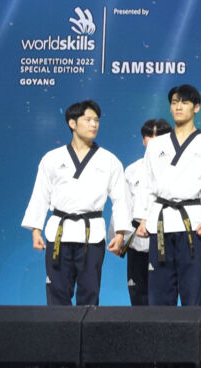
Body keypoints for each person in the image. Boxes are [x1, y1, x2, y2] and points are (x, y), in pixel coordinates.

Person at [22, 100, 130, 306]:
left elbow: (121, 200)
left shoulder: (109, 160)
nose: (94, 125)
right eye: (88, 120)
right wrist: (35, 231)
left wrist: (120, 233)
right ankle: (59, 338)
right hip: (58, 233)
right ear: (72, 123)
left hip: (92, 234)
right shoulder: (52, 158)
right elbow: (40, 195)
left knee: (89, 293)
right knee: (57, 292)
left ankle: (87, 338)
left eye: (96, 120)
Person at [134, 84, 201, 308]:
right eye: (174, 103)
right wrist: (143, 218)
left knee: (192, 293)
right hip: (161, 224)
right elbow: (146, 183)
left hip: (192, 223)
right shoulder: (155, 145)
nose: (178, 107)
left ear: (196, 108)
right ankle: (161, 343)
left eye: (184, 102)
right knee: (159, 293)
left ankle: (193, 344)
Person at [123, 118, 171, 306]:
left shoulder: (177, 168)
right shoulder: (132, 170)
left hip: (166, 240)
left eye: (159, 135)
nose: (153, 139)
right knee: (138, 296)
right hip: (137, 242)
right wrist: (120, 237)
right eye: (149, 135)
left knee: (163, 297)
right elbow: (125, 206)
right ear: (143, 140)